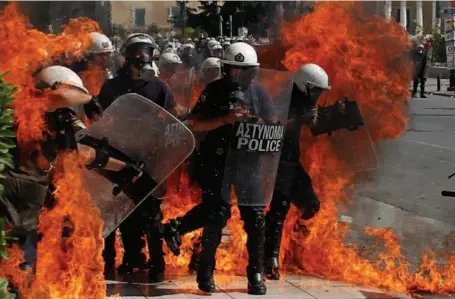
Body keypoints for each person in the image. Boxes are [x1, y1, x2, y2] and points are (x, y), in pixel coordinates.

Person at [0, 65, 140, 271]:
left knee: (11, 254)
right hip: (28, 193)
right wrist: (122, 167)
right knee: (24, 261)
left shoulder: (18, 109)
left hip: (8, 188)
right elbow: (77, 156)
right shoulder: (53, 119)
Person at [162, 42, 273, 295]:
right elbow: (194, 124)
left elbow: (273, 124)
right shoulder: (213, 91)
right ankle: (205, 270)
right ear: (225, 69)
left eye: (243, 71)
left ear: (253, 72)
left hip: (248, 162)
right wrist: (224, 120)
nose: (237, 76)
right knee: (217, 213)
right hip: (217, 160)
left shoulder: (259, 94)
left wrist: (256, 120)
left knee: (255, 218)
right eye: (233, 70)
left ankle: (255, 272)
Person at [97, 33, 176, 282]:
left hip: (149, 156)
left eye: (148, 51)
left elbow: (172, 120)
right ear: (129, 56)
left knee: (151, 212)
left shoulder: (159, 87)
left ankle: (157, 262)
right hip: (120, 157)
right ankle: (128, 258)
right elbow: (100, 121)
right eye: (140, 51)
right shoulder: (112, 86)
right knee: (122, 211)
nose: (144, 57)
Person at [263, 63, 326, 280]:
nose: (318, 95)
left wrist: (337, 115)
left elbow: (315, 126)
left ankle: (293, 249)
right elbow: (273, 126)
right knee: (279, 208)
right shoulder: (284, 98)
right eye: (316, 90)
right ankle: (269, 258)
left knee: (311, 205)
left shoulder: (306, 103)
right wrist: (300, 119)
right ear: (305, 85)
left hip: (292, 162)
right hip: (275, 161)